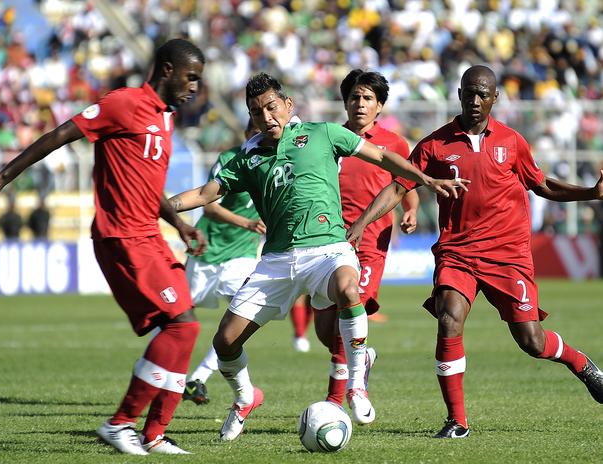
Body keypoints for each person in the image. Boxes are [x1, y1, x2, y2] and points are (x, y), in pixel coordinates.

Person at [168, 72, 467, 441]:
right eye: (257, 112)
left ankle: (356, 382)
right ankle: (245, 396)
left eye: (272, 107)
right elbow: (204, 193)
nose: (266, 117)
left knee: (348, 288)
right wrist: (162, 206)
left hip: (329, 248)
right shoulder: (246, 158)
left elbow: (384, 157)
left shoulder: (324, 133)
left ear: (288, 105)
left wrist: (425, 180)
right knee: (225, 343)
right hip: (277, 260)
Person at [347, 65, 603, 439]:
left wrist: (590, 193)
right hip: (457, 252)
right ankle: (457, 420)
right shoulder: (435, 145)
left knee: (531, 340)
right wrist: (360, 224)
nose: (476, 100)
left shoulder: (512, 142)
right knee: (449, 317)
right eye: (469, 93)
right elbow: (398, 188)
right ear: (459, 94)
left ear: (495, 98)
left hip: (507, 254)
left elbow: (542, 184)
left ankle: (582, 364)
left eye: (483, 94)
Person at [0, 39, 208, 455]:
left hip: (150, 236)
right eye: (190, 76)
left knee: (186, 328)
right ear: (166, 70)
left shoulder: (165, 118)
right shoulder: (123, 103)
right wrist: (4, 175)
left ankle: (154, 434)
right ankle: (121, 423)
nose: (194, 86)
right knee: (180, 325)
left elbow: (149, 184)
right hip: (122, 235)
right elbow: (60, 134)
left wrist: (179, 223)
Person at [313, 69, 420, 407]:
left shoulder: (394, 144)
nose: (360, 104)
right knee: (328, 332)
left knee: (350, 308)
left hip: (371, 242)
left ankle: (339, 399)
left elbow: (405, 182)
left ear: (380, 106)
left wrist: (410, 210)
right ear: (345, 102)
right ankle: (363, 359)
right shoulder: (329, 137)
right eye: (354, 97)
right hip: (328, 241)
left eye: (368, 98)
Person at [182, 119, 266, 406]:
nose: (261, 136)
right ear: (245, 135)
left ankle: (198, 379)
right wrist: (247, 222)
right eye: (255, 132)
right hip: (209, 248)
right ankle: (167, 374)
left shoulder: (276, 162)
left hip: (241, 255)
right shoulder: (229, 160)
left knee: (242, 315)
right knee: (177, 316)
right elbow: (209, 205)